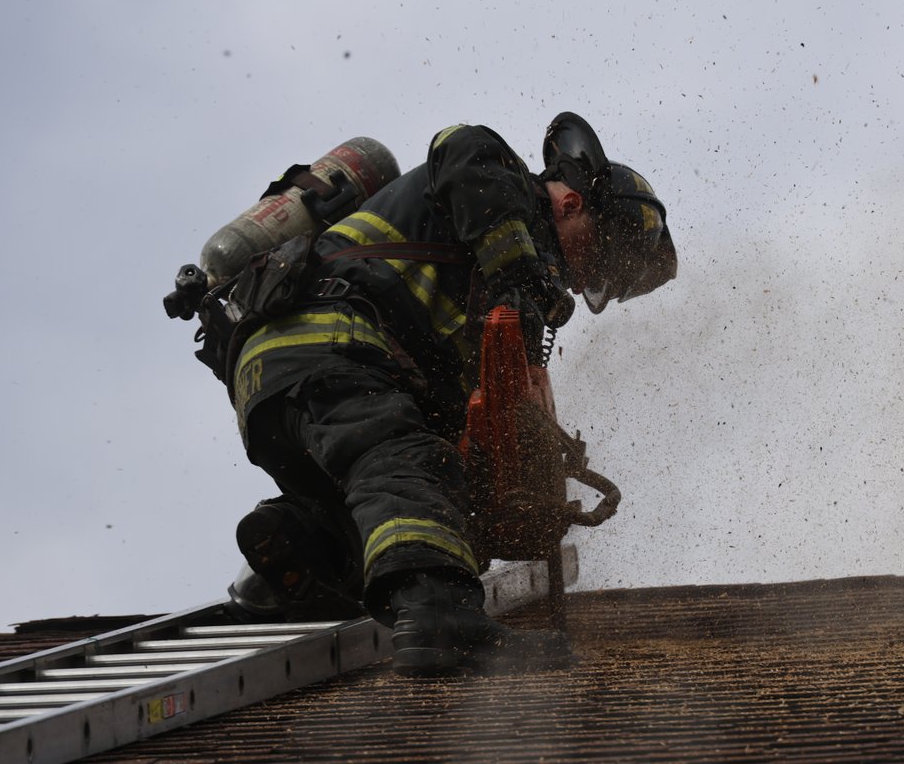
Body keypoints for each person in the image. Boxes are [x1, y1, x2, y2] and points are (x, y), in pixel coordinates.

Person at [226, 112, 676, 675]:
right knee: (411, 467)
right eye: (598, 257)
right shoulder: (496, 174)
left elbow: (458, 420)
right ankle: (440, 619)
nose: (583, 278)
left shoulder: (485, 309)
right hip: (330, 345)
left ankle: (295, 551)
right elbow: (460, 147)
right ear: (573, 204)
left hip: (276, 388)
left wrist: (497, 496)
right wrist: (519, 275)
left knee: (392, 512)